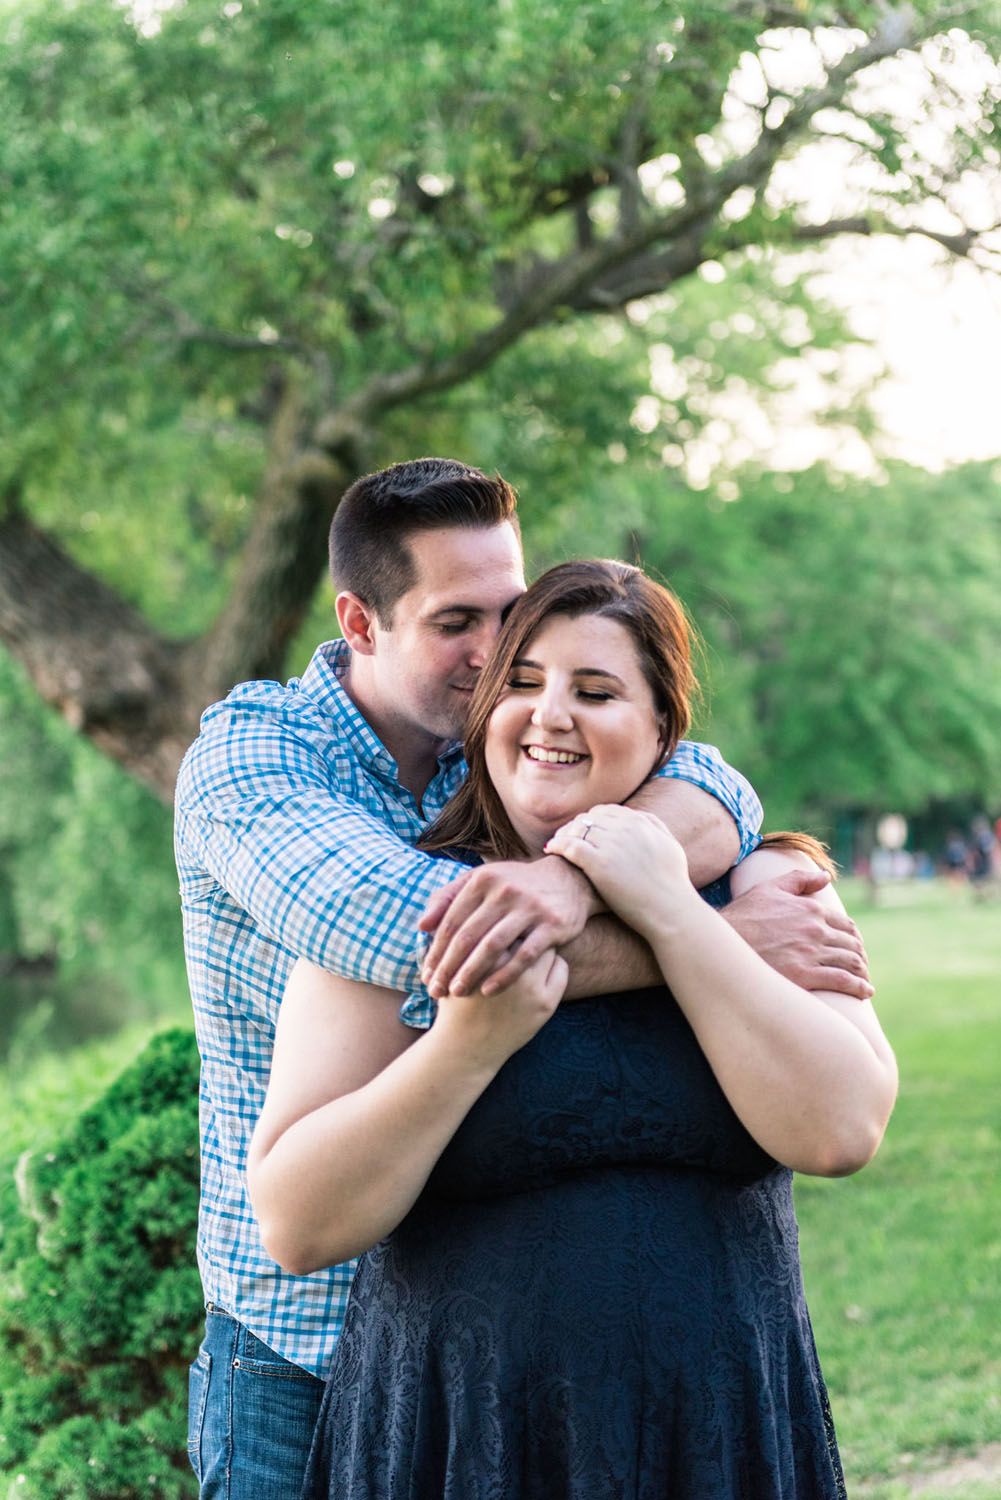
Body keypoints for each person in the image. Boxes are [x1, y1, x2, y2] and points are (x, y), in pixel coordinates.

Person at [176, 460, 869, 1500]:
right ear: (360, 623)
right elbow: (405, 935)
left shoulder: (502, 755)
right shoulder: (260, 761)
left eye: (512, 612)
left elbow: (714, 785)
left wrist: (614, 891)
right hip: (316, 1343)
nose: (500, 656)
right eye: (461, 621)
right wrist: (700, 941)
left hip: (708, 1411)